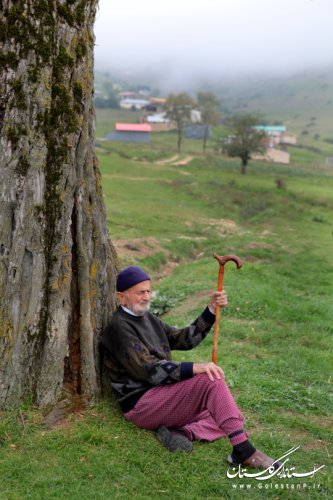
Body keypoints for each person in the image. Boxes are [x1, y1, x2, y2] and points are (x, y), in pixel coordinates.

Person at [101, 266, 281, 469]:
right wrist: (195, 368)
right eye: (139, 292)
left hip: (162, 395)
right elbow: (149, 371)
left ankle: (183, 433)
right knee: (210, 381)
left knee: (229, 414)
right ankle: (244, 450)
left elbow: (185, 339)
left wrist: (211, 309)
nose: (146, 296)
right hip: (141, 404)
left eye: (148, 291)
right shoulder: (119, 328)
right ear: (121, 297)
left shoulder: (148, 319)